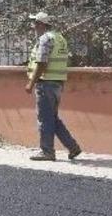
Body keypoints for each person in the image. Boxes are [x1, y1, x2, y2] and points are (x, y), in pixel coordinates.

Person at [25, 12, 82, 161]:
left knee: (45, 119)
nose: (33, 26)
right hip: (57, 83)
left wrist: (31, 83)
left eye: (35, 23)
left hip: (46, 84)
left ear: (41, 24)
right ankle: (73, 147)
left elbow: (42, 63)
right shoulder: (60, 38)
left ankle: (47, 151)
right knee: (52, 118)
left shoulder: (45, 39)